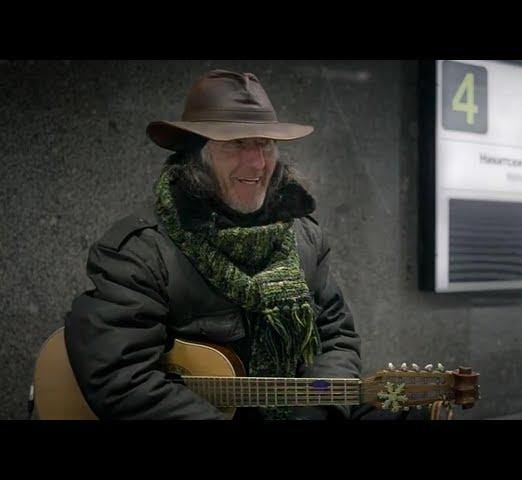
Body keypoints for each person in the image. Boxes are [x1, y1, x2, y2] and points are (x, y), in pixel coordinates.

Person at [64, 69, 362, 420]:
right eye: (236, 143)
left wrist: (317, 412)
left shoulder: (306, 240)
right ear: (197, 155)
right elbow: (121, 377)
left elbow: (336, 339)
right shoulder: (141, 252)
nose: (257, 163)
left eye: (265, 144)